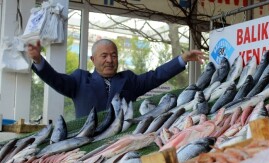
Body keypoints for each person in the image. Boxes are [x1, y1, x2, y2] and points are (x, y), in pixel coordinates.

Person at [27, 39, 206, 118]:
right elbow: (55, 79)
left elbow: (156, 76)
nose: (110, 60)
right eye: (104, 56)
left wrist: (182, 59)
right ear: (93, 59)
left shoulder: (128, 80)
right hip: (86, 146)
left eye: (114, 55)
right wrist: (38, 60)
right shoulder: (79, 80)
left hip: (121, 144)